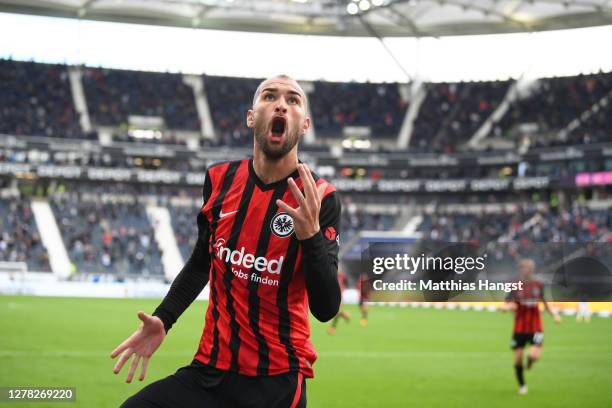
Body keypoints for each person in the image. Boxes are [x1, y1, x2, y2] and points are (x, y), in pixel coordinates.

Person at [111, 75, 342, 408]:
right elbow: (202, 263)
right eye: (269, 96)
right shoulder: (220, 181)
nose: (281, 104)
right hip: (209, 372)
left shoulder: (322, 198)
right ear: (251, 117)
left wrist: (311, 237)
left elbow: (326, 308)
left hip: (275, 384)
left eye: (293, 100)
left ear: (304, 125)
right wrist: (163, 318)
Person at [503, 258, 561, 395]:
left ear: (533, 269)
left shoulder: (538, 285)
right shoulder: (514, 284)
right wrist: (507, 307)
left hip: (536, 326)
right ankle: (522, 386)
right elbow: (506, 303)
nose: (527, 270)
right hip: (519, 327)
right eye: (524, 267)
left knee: (534, 355)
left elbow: (545, 304)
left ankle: (530, 361)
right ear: (521, 269)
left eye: (530, 267)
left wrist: (555, 315)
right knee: (517, 358)